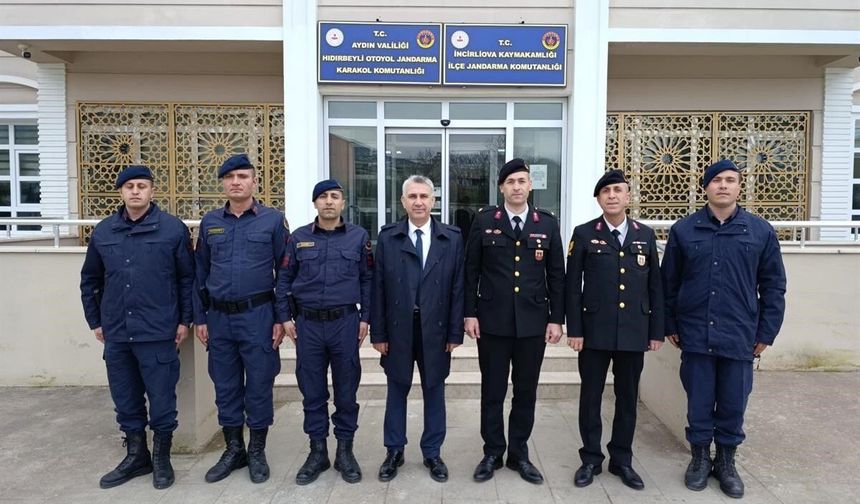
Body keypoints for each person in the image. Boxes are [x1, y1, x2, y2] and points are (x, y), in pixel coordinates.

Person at [661, 159, 786, 499]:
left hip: (740, 335)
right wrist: (670, 323)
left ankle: (727, 462)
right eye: (716, 180)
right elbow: (667, 284)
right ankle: (700, 458)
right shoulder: (684, 230)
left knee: (733, 402)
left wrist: (766, 333)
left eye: (730, 180)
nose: (723, 186)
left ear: (738, 187)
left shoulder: (759, 231)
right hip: (696, 335)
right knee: (699, 401)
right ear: (706, 187)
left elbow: (773, 286)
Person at [80, 165, 194, 490]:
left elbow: (187, 279)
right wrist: (96, 321)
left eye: (141, 186)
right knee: (125, 397)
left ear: (152, 191)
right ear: (121, 192)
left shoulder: (172, 230)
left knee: (161, 400)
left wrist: (184, 320)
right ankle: (136, 455)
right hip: (116, 332)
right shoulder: (104, 232)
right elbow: (90, 280)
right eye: (129, 186)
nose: (135, 191)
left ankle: (161, 458)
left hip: (158, 332)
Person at [464, 158, 565, 485]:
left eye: (522, 181)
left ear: (530, 185)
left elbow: (557, 276)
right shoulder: (483, 221)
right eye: (511, 182)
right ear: (502, 187)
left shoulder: (547, 224)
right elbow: (471, 272)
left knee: (526, 391)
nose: (517, 187)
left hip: (533, 324)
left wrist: (556, 319)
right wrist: (469, 313)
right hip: (492, 322)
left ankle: (519, 453)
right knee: (492, 391)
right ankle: (493, 451)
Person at [565, 169, 664, 491]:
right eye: (606, 191)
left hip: (634, 332)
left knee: (626, 398)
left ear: (627, 196)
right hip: (594, 332)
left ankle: (621, 459)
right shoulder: (582, 234)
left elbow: (655, 287)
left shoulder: (645, 235)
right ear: (598, 198)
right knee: (590, 397)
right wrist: (574, 329)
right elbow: (572, 287)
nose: (612, 195)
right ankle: (591, 458)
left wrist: (656, 331)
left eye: (618, 190)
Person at [193, 153, 288, 484]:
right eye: (230, 177)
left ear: (254, 182)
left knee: (260, 383)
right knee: (225, 384)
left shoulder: (273, 221)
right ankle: (234, 449)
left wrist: (280, 317)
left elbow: (285, 272)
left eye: (243, 176)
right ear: (223, 183)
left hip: (258, 315)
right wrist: (200, 317)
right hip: (219, 318)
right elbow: (199, 272)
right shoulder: (210, 222)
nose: (236, 182)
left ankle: (257, 451)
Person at [276, 179, 372, 485]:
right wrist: (285, 317)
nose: (329, 201)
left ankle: (345, 452)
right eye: (323, 197)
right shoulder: (298, 238)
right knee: (312, 392)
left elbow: (368, 280)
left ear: (343, 203)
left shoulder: (359, 237)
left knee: (346, 391)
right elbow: (284, 279)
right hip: (308, 326)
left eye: (334, 197)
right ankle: (317, 452)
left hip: (345, 323)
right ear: (315, 203)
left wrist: (365, 318)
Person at [371, 175, 465, 483]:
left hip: (435, 330)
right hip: (398, 329)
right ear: (403, 201)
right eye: (412, 196)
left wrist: (454, 333)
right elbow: (378, 287)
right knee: (396, 390)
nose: (419, 201)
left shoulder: (451, 238)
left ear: (434, 201)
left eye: (424, 196)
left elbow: (457, 289)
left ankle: (432, 452)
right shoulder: (388, 237)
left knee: (434, 390)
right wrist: (379, 333)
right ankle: (394, 450)